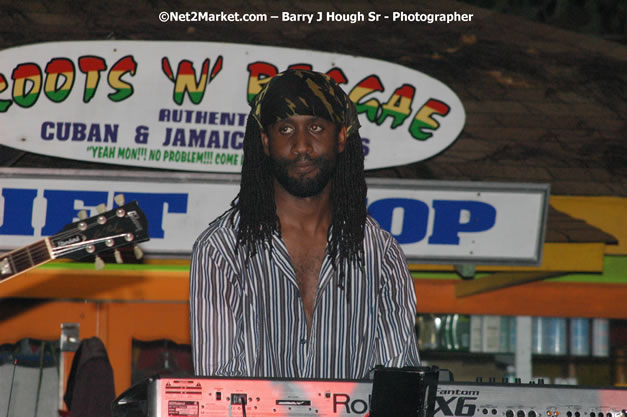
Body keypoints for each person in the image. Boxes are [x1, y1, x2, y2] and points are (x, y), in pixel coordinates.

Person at [189, 69, 419, 379]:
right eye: (285, 129)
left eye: (315, 127)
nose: (301, 146)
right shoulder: (221, 249)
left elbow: (399, 383)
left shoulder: (381, 253)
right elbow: (217, 386)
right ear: (265, 142)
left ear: (341, 137)